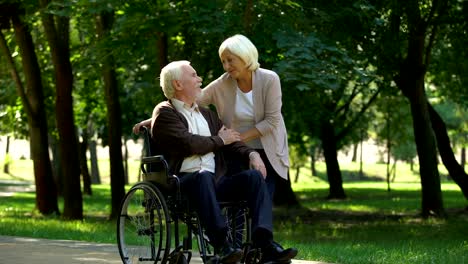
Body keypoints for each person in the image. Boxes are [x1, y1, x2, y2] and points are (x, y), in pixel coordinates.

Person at [150, 60, 297, 264]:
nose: (199, 79)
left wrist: (251, 155)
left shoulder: (207, 115)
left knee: (253, 178)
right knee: (202, 178)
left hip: (215, 182)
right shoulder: (165, 113)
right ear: (178, 84)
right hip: (183, 184)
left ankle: (265, 243)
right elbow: (189, 143)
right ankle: (222, 245)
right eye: (193, 75)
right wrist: (219, 140)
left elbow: (231, 140)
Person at [134, 34, 290, 202]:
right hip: (238, 150)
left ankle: (259, 229)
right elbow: (187, 102)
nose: (226, 66)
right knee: (238, 204)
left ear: (245, 56)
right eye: (223, 61)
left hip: (267, 147)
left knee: (263, 199)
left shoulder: (269, 79)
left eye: (230, 60)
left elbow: (272, 121)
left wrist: (233, 138)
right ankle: (234, 230)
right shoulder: (223, 83)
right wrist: (154, 119)